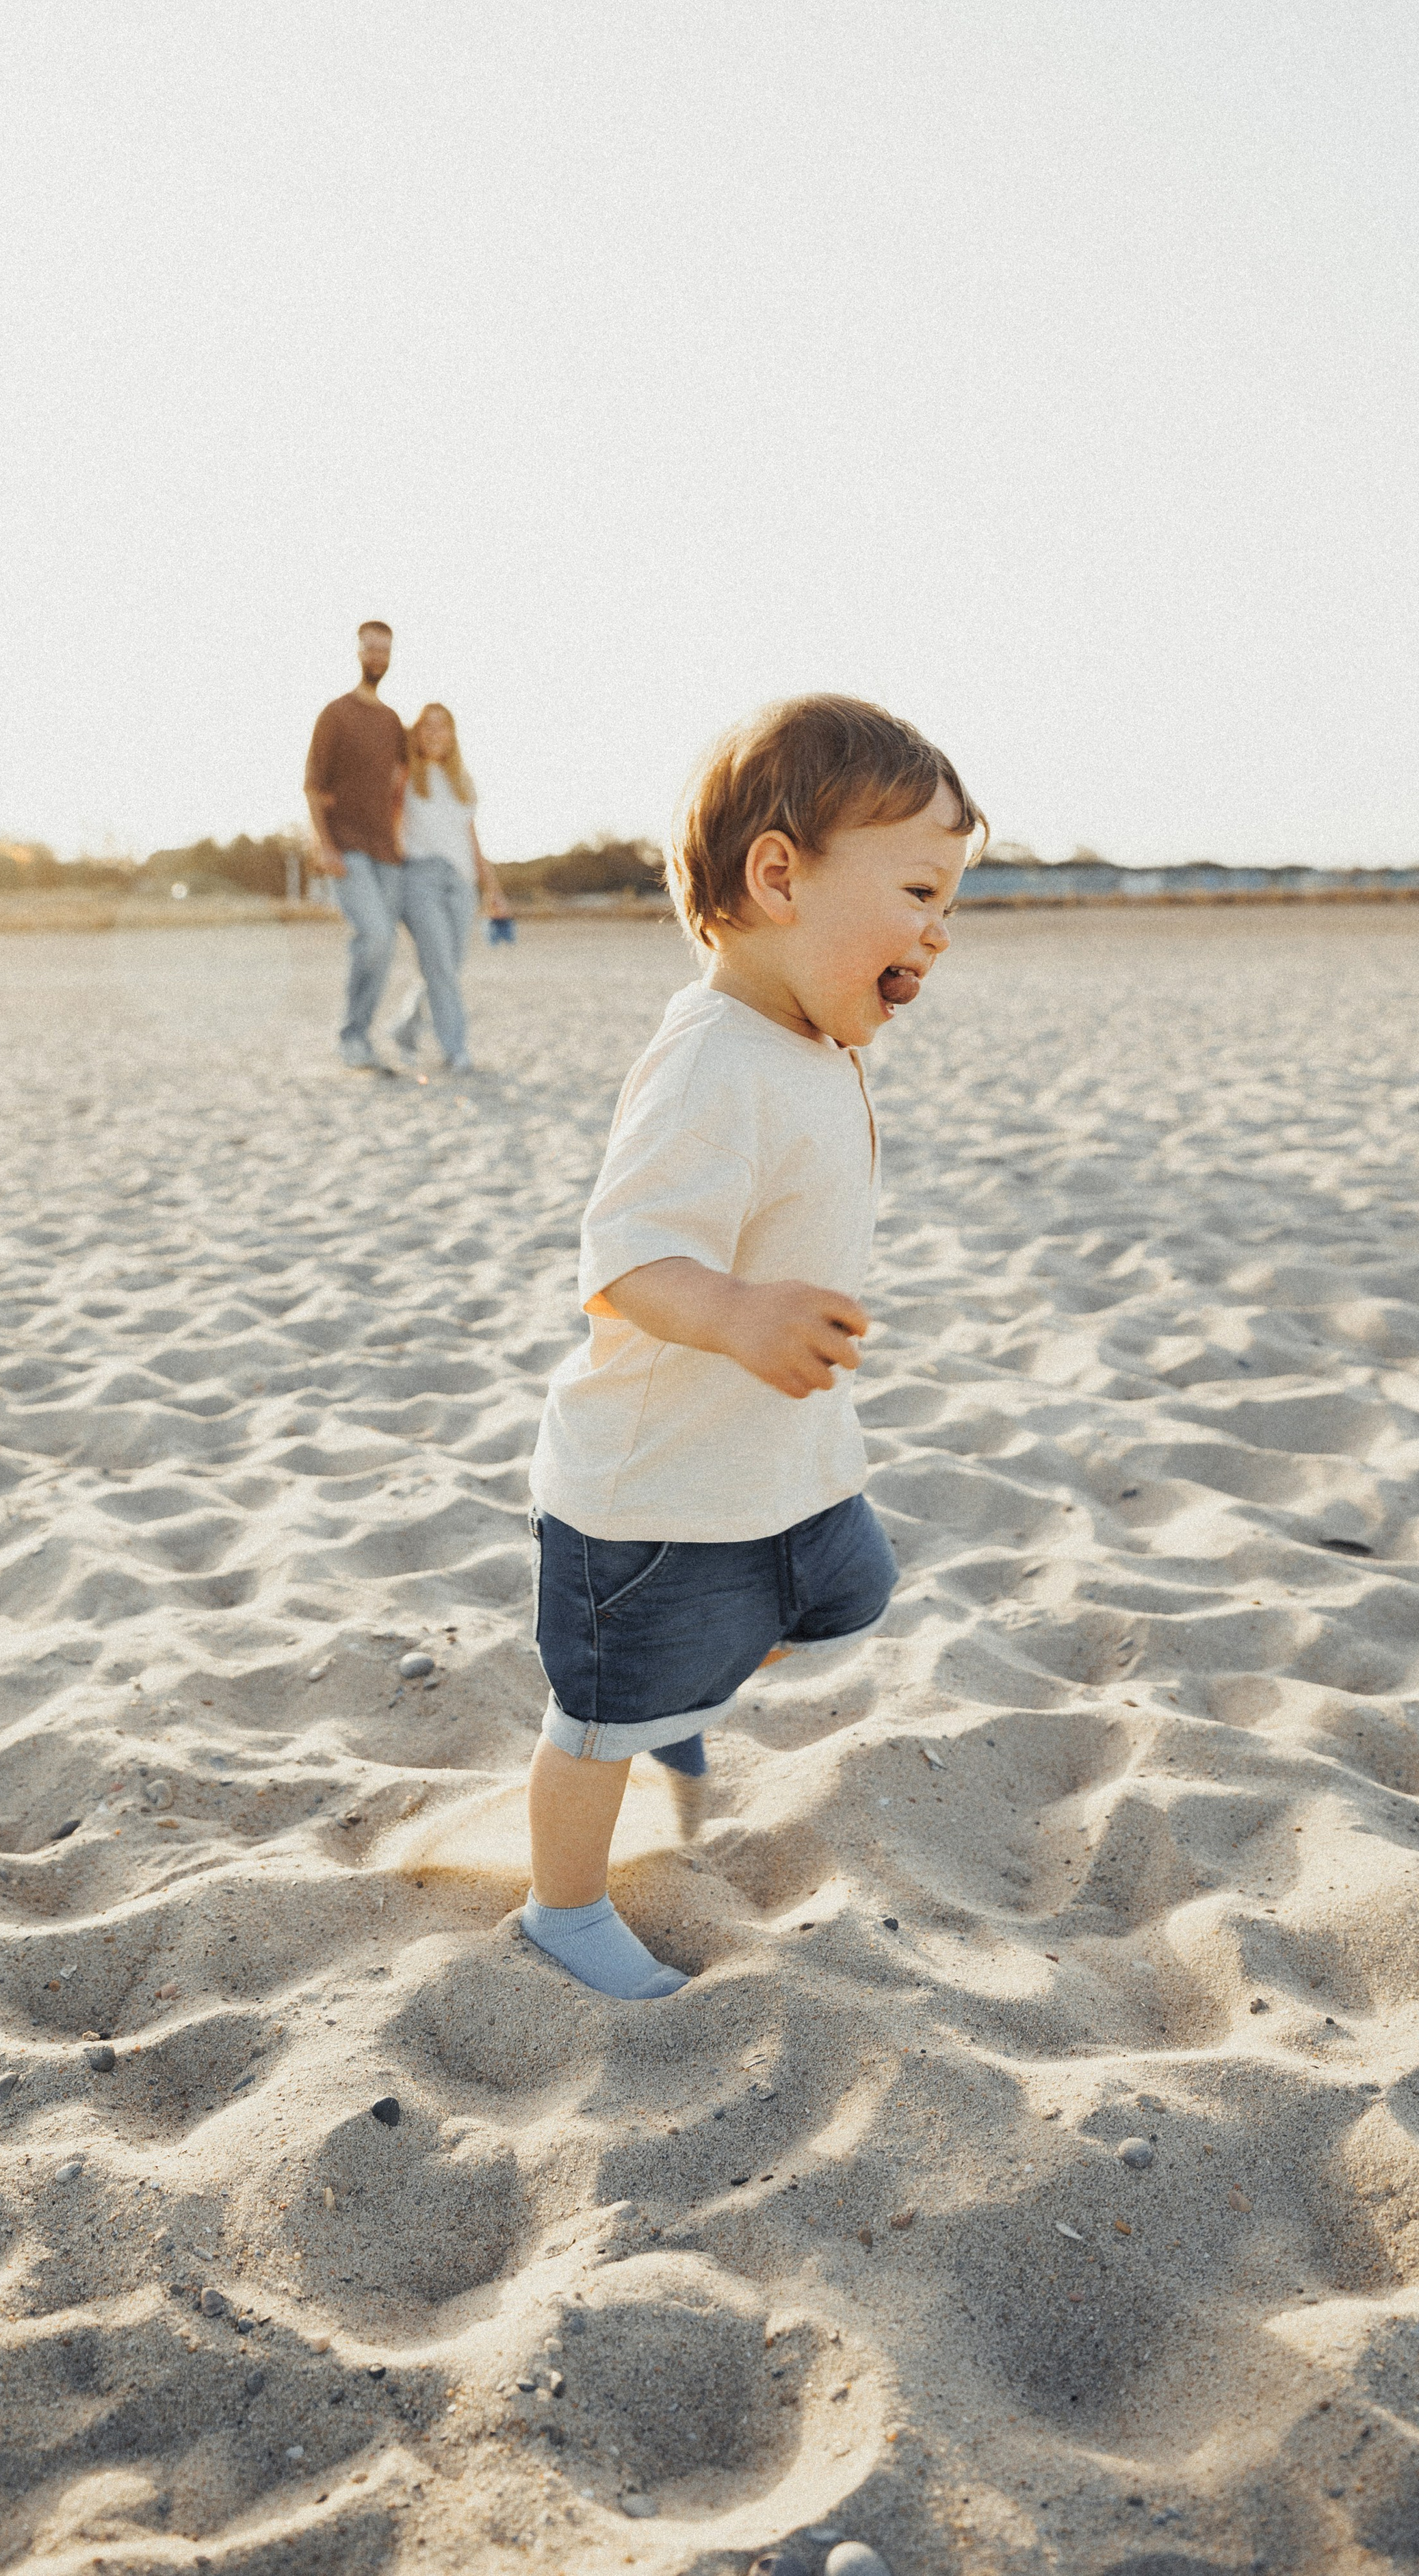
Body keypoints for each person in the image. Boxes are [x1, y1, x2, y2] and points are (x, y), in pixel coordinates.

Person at [519, 695, 984, 1999]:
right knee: (600, 1720)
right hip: (654, 1493)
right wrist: (736, 1313)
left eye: (949, 901)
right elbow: (624, 1256)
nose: (939, 932)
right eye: (916, 891)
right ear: (780, 877)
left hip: (780, 1460)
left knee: (851, 1586)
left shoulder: (806, 1039)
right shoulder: (711, 1059)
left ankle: (691, 1685)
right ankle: (562, 1910)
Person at [304, 621, 408, 1069]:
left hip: (388, 853)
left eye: (385, 651)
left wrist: (400, 836)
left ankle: (360, 1035)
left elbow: (401, 786)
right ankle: (351, 1035)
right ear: (358, 652)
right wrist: (324, 845)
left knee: (383, 947)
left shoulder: (392, 722)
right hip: (346, 847)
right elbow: (312, 788)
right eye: (371, 649)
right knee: (375, 935)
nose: (378, 657)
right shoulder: (335, 714)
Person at [388, 703, 508, 1074]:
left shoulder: (462, 783)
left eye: (443, 726)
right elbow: (390, 831)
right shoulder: (405, 775)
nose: (435, 732)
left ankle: (405, 1028)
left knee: (447, 969)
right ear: (417, 733)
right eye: (427, 726)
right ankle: (455, 1052)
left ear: (453, 734)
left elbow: (472, 841)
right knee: (439, 967)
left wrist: (493, 889)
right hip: (419, 879)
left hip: (462, 885)